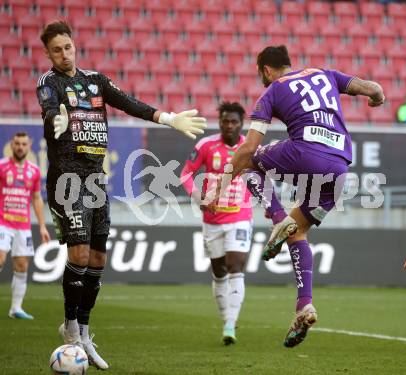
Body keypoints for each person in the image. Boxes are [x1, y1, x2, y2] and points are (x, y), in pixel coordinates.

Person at [36, 20, 206, 370]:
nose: (64, 54)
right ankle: (69, 328)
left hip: (97, 178)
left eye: (67, 46)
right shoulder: (49, 82)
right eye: (57, 49)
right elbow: (50, 107)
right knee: (79, 253)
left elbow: (129, 103)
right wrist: (56, 120)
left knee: (98, 259)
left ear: (74, 45)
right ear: (48, 53)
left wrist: (169, 118)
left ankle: (83, 331)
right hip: (67, 176)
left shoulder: (96, 80)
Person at [209, 45, 385, 348]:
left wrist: (220, 187)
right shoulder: (325, 74)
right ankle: (305, 305)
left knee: (249, 164)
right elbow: (371, 88)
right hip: (340, 168)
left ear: (265, 69)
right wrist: (378, 97)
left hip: (306, 152)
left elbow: (248, 149)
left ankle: (278, 219)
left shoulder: (272, 92)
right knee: (299, 231)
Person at [180, 102, 253, 345]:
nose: (229, 125)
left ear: (241, 124)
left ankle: (231, 323)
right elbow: (186, 174)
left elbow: (261, 177)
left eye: (234, 121)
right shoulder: (206, 145)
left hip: (240, 216)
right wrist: (199, 198)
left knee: (236, 265)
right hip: (212, 219)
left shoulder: (250, 147)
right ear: (219, 122)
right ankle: (225, 320)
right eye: (225, 121)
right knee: (219, 271)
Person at [0, 132, 50, 319]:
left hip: (22, 225)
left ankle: (15, 308)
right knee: (0, 258)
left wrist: (42, 226)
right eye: (17, 144)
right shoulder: (2, 166)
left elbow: (36, 198)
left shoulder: (34, 170)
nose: (20, 147)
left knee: (21, 266)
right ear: (11, 145)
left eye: (23, 144)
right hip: (2, 221)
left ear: (29, 146)